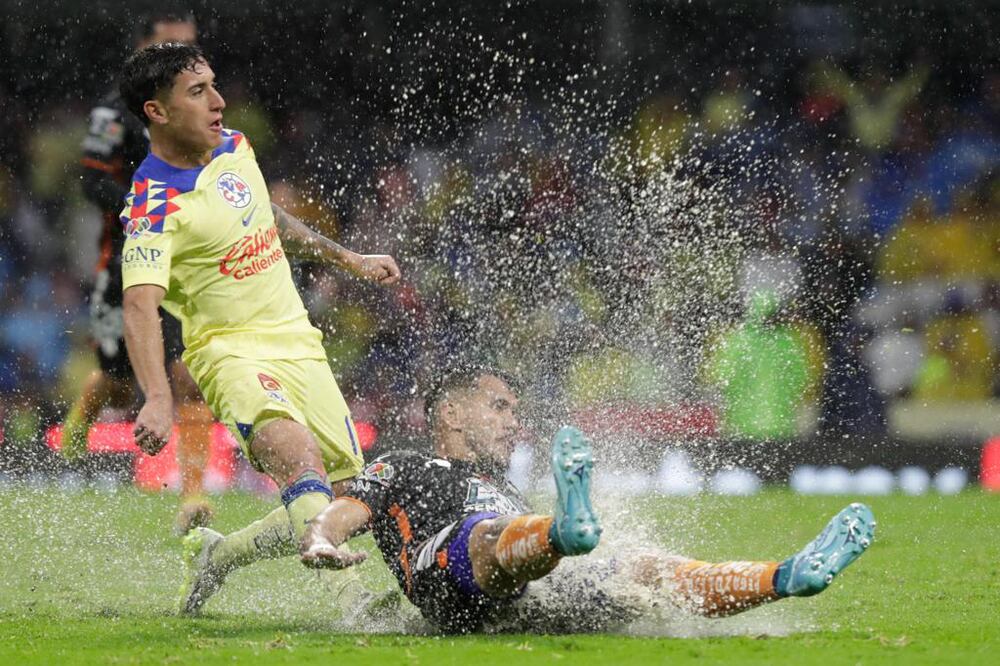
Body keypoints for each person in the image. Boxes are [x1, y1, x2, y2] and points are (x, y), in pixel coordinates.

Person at [115, 42, 401, 612]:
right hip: (229, 354)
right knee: (296, 455)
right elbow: (139, 304)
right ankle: (352, 602)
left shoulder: (234, 147)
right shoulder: (152, 203)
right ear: (158, 111)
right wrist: (156, 395)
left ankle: (218, 556)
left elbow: (269, 216)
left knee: (346, 497)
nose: (219, 101)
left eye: (214, 85)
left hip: (298, 341)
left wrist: (350, 258)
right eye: (198, 92)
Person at [295, 367, 875, 634]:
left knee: (643, 572)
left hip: (527, 595)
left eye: (516, 412)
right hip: (448, 586)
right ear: (450, 412)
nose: (513, 423)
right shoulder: (407, 465)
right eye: (499, 407)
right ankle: (564, 534)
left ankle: (787, 576)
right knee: (488, 532)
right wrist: (322, 537)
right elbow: (343, 512)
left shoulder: (509, 488)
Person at [66, 12, 216, 535]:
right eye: (172, 45)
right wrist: (144, 207)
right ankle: (73, 434)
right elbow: (91, 181)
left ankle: (193, 495)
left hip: (187, 262)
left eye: (190, 46)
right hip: (129, 260)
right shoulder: (115, 110)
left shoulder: (200, 107)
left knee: (188, 376)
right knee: (115, 378)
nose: (185, 56)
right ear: (144, 45)